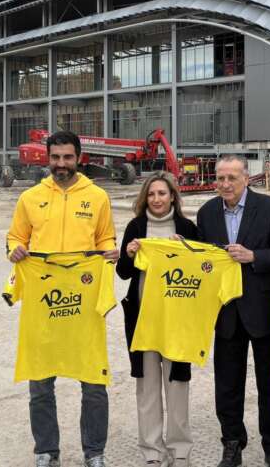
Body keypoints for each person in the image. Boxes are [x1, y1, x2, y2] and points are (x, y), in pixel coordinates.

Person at [6, 130, 118, 467]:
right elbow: (14, 237)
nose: (61, 164)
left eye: (67, 157)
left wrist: (108, 253)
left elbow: (105, 237)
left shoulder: (97, 197)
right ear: (47, 158)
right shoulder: (30, 198)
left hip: (84, 301)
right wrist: (16, 250)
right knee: (40, 383)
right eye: (55, 158)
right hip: (45, 304)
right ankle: (46, 450)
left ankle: (94, 452)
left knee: (94, 382)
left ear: (79, 158)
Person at [196, 154, 270, 467]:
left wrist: (254, 256)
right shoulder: (206, 213)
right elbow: (202, 260)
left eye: (232, 178)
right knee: (227, 384)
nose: (225, 184)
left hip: (264, 309)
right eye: (220, 178)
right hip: (226, 311)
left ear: (246, 179)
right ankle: (232, 443)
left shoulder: (269, 209)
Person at [117, 171, 200, 467]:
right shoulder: (136, 227)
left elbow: (201, 272)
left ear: (173, 197)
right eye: (151, 194)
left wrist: (187, 250)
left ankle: (180, 451)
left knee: (177, 386)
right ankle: (152, 453)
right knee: (147, 388)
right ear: (145, 198)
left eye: (162, 193)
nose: (156, 199)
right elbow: (124, 272)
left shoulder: (188, 228)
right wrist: (127, 253)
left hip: (177, 322)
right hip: (143, 321)